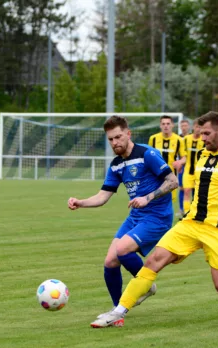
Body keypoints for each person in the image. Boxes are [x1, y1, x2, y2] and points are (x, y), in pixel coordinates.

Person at [91, 111, 218, 329]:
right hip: (189, 224)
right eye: (200, 134)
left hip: (217, 230)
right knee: (154, 261)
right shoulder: (201, 154)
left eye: (207, 134)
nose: (202, 139)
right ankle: (118, 312)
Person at [68, 115, 178, 309]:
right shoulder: (116, 164)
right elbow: (102, 197)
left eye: (118, 137)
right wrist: (80, 202)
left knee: (121, 249)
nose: (114, 142)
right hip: (136, 217)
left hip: (157, 217)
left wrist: (147, 198)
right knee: (110, 261)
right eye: (110, 139)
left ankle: (144, 285)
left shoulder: (147, 154)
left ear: (128, 134)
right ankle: (117, 308)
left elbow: (173, 181)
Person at [149, 115, 186, 219]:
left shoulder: (179, 140)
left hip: (171, 178)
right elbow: (148, 156)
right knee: (154, 200)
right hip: (155, 177)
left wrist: (180, 162)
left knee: (167, 202)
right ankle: (154, 222)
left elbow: (184, 158)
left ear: (172, 125)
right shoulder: (154, 139)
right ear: (160, 125)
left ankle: (164, 225)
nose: (166, 126)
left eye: (168, 124)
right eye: (163, 124)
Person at [181, 120, 205, 214]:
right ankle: (186, 213)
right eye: (197, 127)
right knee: (186, 191)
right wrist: (180, 163)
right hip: (188, 170)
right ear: (193, 128)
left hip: (200, 171)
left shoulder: (204, 140)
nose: (198, 129)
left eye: (200, 127)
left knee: (198, 194)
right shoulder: (186, 139)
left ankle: (196, 212)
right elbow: (183, 155)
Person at [176, 119, 191, 216]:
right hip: (182, 167)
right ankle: (182, 209)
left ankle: (192, 209)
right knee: (181, 188)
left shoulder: (193, 138)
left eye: (186, 125)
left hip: (192, 167)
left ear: (189, 127)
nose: (184, 127)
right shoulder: (177, 138)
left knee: (192, 189)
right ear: (180, 127)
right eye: (182, 126)